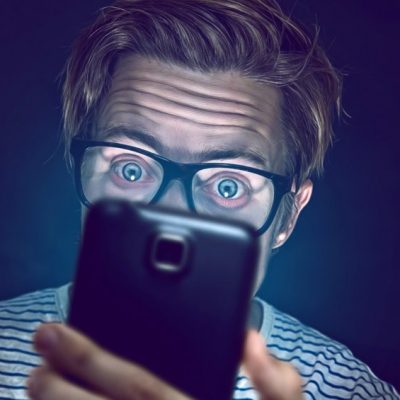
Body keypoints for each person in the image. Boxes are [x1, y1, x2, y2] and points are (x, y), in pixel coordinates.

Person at [0, 0, 398, 399]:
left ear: (288, 216)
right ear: (80, 170)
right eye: (131, 169)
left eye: (228, 187)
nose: (170, 216)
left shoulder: (351, 391)